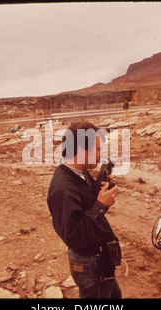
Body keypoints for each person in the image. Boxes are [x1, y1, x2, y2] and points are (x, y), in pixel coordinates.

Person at [47, 121, 122, 298]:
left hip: (99, 258)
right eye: (97, 149)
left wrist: (100, 191)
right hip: (90, 263)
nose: (100, 154)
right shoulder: (62, 188)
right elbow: (75, 236)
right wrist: (100, 206)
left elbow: (83, 207)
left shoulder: (78, 172)